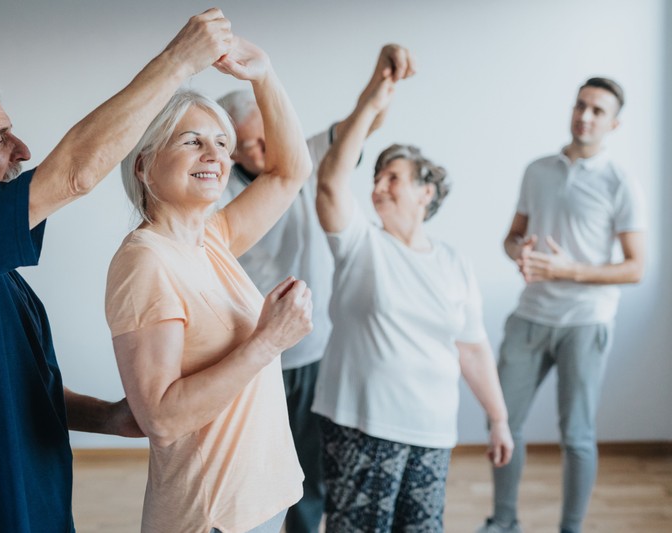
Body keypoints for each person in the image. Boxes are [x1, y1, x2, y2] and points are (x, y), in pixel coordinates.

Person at [0, 9, 234, 531]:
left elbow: (21, 390)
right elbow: (73, 174)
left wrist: (109, 417)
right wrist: (179, 62)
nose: (22, 150)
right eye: (0, 138)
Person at [105, 34, 313, 533]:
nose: (214, 155)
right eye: (191, 141)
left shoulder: (211, 237)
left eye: (222, 143)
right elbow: (161, 418)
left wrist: (263, 74)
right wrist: (270, 341)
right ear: (143, 164)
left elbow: (290, 172)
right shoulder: (145, 263)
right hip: (211, 517)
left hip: (261, 501)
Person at [311, 60, 514, 532]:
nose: (378, 186)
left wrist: (499, 418)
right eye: (376, 176)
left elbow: (472, 348)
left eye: (393, 177)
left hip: (432, 433)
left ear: (426, 192)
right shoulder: (360, 242)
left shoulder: (454, 263)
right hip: (361, 427)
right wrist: (370, 106)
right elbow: (329, 184)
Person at [216, 44, 410, 533]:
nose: (264, 151)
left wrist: (381, 74)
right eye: (250, 144)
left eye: (267, 137)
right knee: (250, 466)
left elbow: (366, 121)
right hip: (251, 351)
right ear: (231, 148)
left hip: (312, 347)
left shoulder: (304, 155)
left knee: (309, 468)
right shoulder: (218, 189)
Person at [478, 78, 646, 533]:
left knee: (577, 437)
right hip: (529, 317)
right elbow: (511, 238)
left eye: (597, 110)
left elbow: (635, 269)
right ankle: (504, 520)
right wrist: (521, 253)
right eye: (580, 105)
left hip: (585, 323)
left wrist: (570, 270)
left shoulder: (620, 182)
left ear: (614, 123)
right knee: (503, 422)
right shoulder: (538, 170)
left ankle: (570, 528)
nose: (585, 116)